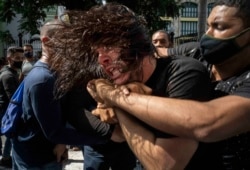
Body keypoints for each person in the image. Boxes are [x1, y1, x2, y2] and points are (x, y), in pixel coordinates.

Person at [87, 0, 250, 169]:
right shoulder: (195, 52)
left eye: (220, 27)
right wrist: (108, 81)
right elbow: (147, 52)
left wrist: (116, 99)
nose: (207, 34)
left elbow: (205, 122)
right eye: (208, 25)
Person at [11, 19, 123, 170]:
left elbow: (60, 114)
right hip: (36, 158)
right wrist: (107, 137)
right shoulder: (43, 79)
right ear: (47, 42)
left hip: (48, 152)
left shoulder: (56, 72)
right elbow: (54, 132)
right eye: (67, 40)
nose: (72, 46)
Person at [52, 11, 138, 170]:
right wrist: (111, 133)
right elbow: (74, 108)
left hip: (127, 144)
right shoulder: (79, 65)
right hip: (98, 145)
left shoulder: (131, 59)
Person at [0, 46, 24, 168]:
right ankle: (6, 158)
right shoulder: (7, 76)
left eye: (22, 57)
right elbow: (13, 98)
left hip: (8, 109)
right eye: (17, 58)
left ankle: (5, 157)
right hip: (6, 110)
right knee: (11, 135)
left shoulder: (13, 72)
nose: (20, 60)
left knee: (10, 136)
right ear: (9, 58)